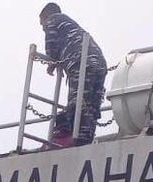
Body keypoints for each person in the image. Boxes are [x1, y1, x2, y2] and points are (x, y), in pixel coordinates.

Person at [40, 3, 106, 147]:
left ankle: (73, 136)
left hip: (81, 61)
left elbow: (51, 42)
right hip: (99, 62)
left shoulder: (53, 19)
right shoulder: (70, 24)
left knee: (78, 100)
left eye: (42, 24)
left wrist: (51, 61)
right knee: (91, 102)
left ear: (45, 17)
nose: (43, 28)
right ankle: (85, 136)